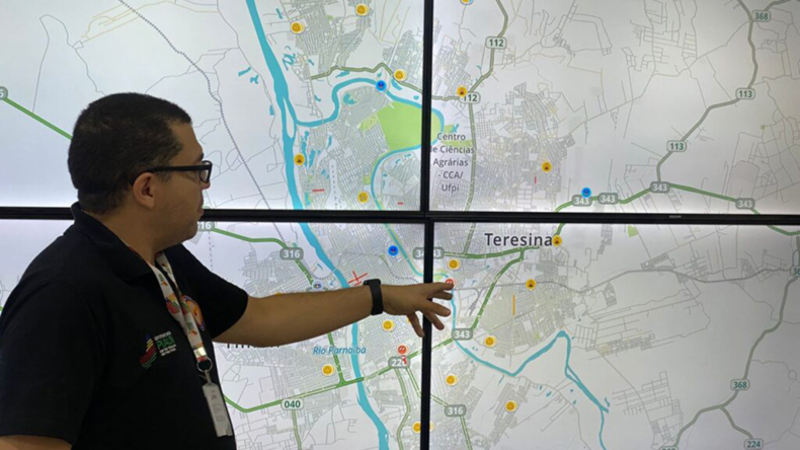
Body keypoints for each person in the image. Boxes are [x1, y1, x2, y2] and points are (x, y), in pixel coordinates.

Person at [0, 93, 452, 450]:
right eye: (197, 170)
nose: (206, 183)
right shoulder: (63, 295)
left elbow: (259, 318)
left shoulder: (162, 260)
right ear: (146, 188)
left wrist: (378, 297)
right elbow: (25, 444)